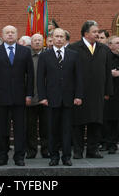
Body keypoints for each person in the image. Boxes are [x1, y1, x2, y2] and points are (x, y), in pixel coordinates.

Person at [0, 25, 34, 166]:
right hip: (0, 97)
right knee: (0, 129)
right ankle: (1, 156)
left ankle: (19, 157)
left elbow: (30, 75)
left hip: (20, 97)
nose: (10, 35)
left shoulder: (25, 52)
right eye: (7, 33)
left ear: (17, 35)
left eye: (13, 32)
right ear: (3, 35)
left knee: (20, 129)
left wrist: (29, 94)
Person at [37, 28, 83, 166]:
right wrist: (42, 97)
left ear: (65, 39)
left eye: (61, 36)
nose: (58, 39)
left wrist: (78, 95)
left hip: (69, 99)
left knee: (67, 129)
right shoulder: (45, 56)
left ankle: (66, 157)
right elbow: (40, 79)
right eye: (56, 36)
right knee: (52, 130)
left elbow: (79, 78)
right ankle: (54, 157)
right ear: (51, 38)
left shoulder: (73, 55)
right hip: (51, 99)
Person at [69, 20, 113, 159]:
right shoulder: (73, 48)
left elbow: (108, 72)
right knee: (78, 123)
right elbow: (70, 73)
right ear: (86, 33)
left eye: (98, 31)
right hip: (79, 93)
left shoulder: (104, 49)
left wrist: (107, 91)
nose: (97, 34)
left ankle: (93, 150)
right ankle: (78, 150)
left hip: (98, 93)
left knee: (96, 122)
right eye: (94, 31)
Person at [26, 33, 49, 159]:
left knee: (46, 126)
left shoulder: (48, 56)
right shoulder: (26, 57)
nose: (37, 42)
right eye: (35, 40)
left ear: (43, 42)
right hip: (31, 97)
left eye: (39, 40)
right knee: (30, 127)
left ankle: (46, 149)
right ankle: (31, 150)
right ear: (31, 42)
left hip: (45, 97)